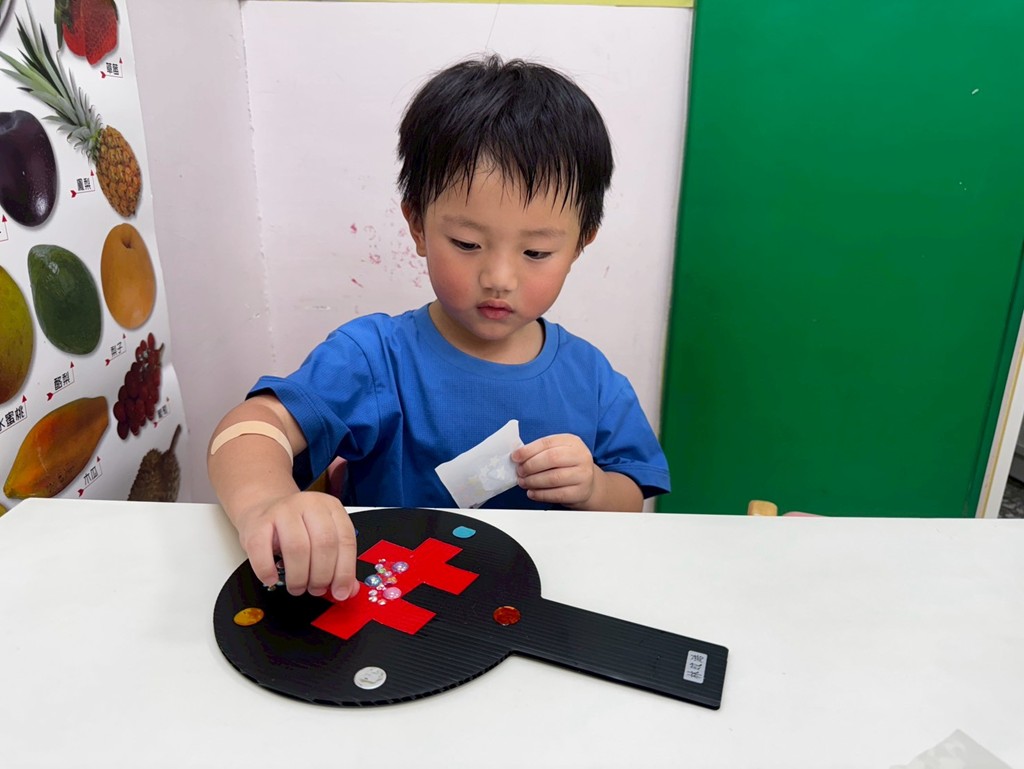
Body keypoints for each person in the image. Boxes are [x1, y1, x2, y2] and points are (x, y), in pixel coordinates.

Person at [208, 55, 670, 605]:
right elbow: (251, 427)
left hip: (544, 608)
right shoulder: (375, 358)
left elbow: (631, 498)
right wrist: (267, 501)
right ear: (418, 225)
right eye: (467, 244)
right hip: (396, 606)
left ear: (580, 243)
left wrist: (593, 488)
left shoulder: (591, 377)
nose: (499, 278)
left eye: (536, 252)